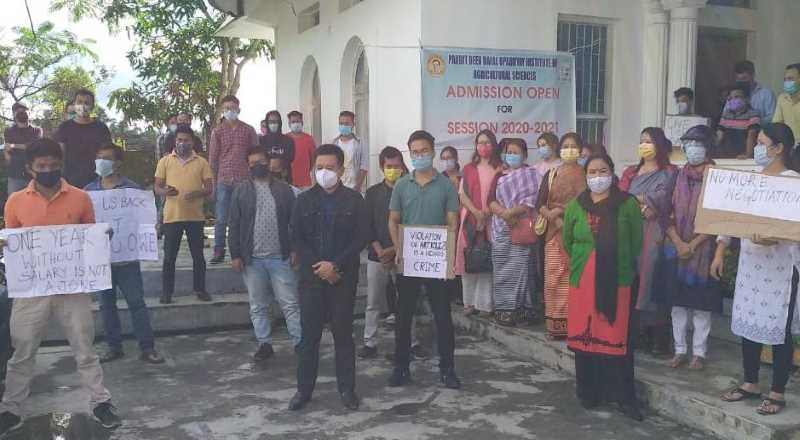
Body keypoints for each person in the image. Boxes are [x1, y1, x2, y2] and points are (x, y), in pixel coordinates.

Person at [0, 138, 121, 434]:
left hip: (72, 289)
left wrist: (101, 238)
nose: (48, 170)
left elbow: (90, 239)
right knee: (22, 351)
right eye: (42, 166)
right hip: (32, 292)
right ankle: (11, 408)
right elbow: (12, 244)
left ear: (61, 165)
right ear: (30, 169)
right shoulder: (15, 201)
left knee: (84, 347)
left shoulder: (80, 198)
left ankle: (100, 401)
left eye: (54, 165)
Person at [715, 122, 800, 416]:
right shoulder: (750, 180)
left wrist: (776, 235)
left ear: (779, 148)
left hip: (782, 268)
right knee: (748, 321)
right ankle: (750, 382)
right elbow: (728, 219)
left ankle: (777, 391)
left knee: (779, 329)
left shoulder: (793, 183)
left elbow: (796, 226)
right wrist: (720, 250)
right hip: (751, 265)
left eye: (762, 143)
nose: (757, 148)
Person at [563, 152, 644, 421]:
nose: (598, 176)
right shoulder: (576, 204)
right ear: (586, 177)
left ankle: (623, 397)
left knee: (617, 339)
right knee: (586, 340)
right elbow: (568, 242)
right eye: (592, 172)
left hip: (617, 281)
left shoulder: (628, 204)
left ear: (612, 172)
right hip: (582, 280)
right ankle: (589, 392)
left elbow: (636, 243)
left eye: (603, 170)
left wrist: (613, 264)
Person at [289, 144, 367, 411]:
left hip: (342, 279)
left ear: (341, 170)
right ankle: (303, 390)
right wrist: (319, 266)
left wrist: (335, 266)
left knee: (343, 336)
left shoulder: (355, 201)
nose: (324, 172)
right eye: (319, 168)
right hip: (311, 278)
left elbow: (361, 238)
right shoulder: (303, 200)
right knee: (308, 337)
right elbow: (297, 237)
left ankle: (347, 390)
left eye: (330, 168)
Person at [387, 130, 461, 389]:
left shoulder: (446, 186)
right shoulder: (401, 185)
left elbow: (453, 221)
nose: (420, 155)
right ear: (410, 153)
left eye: (424, 151)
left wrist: (449, 252)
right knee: (403, 315)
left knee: (442, 315)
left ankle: (448, 369)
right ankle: (401, 367)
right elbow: (393, 220)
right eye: (415, 152)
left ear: (432, 150)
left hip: (436, 261)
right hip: (409, 260)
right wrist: (399, 249)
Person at [84, 144, 165, 365]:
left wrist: (152, 227)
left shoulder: (132, 190)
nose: (101, 162)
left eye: (106, 158)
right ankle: (114, 347)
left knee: (136, 303)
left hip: (127, 260)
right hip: (102, 261)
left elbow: (145, 219)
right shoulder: (88, 192)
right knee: (106, 306)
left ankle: (147, 348)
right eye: (98, 157)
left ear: (118, 163)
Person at [228, 146, 301, 362]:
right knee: (258, 305)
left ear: (268, 162)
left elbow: (294, 222)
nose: (256, 166)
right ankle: (264, 344)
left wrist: (296, 249)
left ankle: (300, 343)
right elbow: (234, 224)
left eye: (260, 162)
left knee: (290, 303)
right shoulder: (241, 191)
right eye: (251, 163)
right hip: (253, 259)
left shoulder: (284, 190)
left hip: (281, 257)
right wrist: (235, 255)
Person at [663, 126, 721, 371]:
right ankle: (679, 351)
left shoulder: (717, 177)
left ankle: (699, 353)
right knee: (678, 305)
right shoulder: (677, 175)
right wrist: (678, 241)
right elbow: (666, 212)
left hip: (704, 250)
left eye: (698, 143)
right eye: (689, 143)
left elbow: (719, 217)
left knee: (700, 306)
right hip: (675, 247)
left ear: (708, 147)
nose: (693, 148)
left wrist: (693, 244)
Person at [359, 147, 423, 359]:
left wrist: (394, 250)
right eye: (389, 167)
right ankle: (370, 343)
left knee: (407, 300)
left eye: (397, 166)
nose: (393, 170)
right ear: (381, 167)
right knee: (373, 302)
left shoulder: (411, 190)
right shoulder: (372, 193)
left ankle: (412, 342)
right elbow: (366, 226)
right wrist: (380, 252)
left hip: (404, 253)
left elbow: (414, 224)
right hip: (377, 257)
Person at [619, 127, 678, 356]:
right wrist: (644, 203)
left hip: (658, 233)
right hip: (632, 230)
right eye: (642, 141)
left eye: (649, 141)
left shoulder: (671, 172)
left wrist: (645, 202)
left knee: (654, 280)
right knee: (633, 280)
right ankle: (638, 333)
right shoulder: (631, 172)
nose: (644, 145)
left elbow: (669, 201)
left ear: (660, 145)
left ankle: (659, 337)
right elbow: (622, 196)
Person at [155, 125, 214, 304]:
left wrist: (198, 193)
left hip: (195, 217)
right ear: (175, 141)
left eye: (186, 140)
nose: (182, 143)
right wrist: (166, 191)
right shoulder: (165, 161)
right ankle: (167, 293)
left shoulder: (202, 162)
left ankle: (200, 289)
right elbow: (156, 187)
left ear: (192, 141)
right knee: (169, 257)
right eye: (179, 140)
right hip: (172, 217)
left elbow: (210, 188)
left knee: (198, 257)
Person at [536, 133, 587, 339]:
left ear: (580, 150)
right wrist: (552, 216)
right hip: (553, 234)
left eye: (573, 146)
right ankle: (555, 326)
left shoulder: (587, 174)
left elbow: (587, 204)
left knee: (574, 279)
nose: (569, 150)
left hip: (578, 233)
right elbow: (539, 203)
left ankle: (575, 325)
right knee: (553, 279)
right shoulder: (551, 174)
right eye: (565, 146)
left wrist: (563, 214)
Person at [487, 138, 540, 326]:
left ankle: (524, 311)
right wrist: (504, 214)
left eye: (516, 152)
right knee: (502, 271)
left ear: (524, 155)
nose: (511, 155)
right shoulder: (499, 175)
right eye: (508, 151)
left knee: (522, 270)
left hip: (522, 227)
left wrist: (512, 213)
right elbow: (490, 200)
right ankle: (505, 311)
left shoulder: (532, 175)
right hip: (501, 229)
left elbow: (532, 200)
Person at [208, 95, 259, 264]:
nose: (230, 111)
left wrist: (255, 180)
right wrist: (213, 184)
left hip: (244, 180)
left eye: (233, 107)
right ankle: (219, 250)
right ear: (223, 110)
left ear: (239, 109)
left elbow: (256, 155)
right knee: (221, 218)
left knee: (245, 217)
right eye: (227, 108)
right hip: (224, 180)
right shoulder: (218, 131)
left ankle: (245, 249)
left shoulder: (249, 130)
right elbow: (213, 159)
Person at [457, 130, 502, 316]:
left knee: (486, 259)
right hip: (470, 218)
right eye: (480, 142)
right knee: (469, 258)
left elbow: (502, 194)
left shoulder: (500, 167)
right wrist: (476, 213)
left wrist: (487, 214)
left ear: (494, 145)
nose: (483, 146)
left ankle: (484, 304)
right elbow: (462, 194)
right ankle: (469, 303)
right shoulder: (468, 168)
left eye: (487, 142)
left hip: (493, 219)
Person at [54, 88, 112, 188]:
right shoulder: (64, 127)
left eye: (87, 103)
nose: (83, 105)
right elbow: (60, 154)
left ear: (93, 106)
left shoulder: (101, 128)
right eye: (79, 102)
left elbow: (108, 154)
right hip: (70, 181)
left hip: (97, 181)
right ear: (75, 104)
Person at [4, 102, 42, 193]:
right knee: (14, 203)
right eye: (18, 111)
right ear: (14, 114)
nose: (21, 113)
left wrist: (14, 145)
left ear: (29, 113)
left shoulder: (37, 130)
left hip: (33, 174)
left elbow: (33, 146)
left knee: (35, 202)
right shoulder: (8, 131)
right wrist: (7, 155)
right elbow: (7, 149)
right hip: (15, 174)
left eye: (23, 111)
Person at [716, 83, 761, 158]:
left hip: (743, 155)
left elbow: (751, 135)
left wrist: (748, 155)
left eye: (737, 97)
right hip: (726, 155)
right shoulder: (726, 114)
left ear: (747, 99)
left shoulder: (753, 114)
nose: (733, 100)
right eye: (730, 98)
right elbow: (719, 135)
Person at [332, 111, 369, 192]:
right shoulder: (334, 143)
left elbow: (364, 166)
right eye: (341, 123)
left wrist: (358, 186)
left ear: (353, 125)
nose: (343, 126)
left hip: (354, 187)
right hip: (337, 187)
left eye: (346, 123)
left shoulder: (360, 143)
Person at [259, 110, 295, 184]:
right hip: (266, 180)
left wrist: (279, 162)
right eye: (270, 122)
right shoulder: (261, 141)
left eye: (275, 121)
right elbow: (259, 158)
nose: (273, 124)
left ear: (280, 123)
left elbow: (290, 158)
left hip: (284, 179)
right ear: (267, 123)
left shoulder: (288, 140)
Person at [286, 111, 316, 189]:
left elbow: (313, 159)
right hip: (288, 181)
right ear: (289, 123)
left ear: (302, 122)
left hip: (305, 182)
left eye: (298, 121)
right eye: (293, 122)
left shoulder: (309, 139)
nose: (296, 123)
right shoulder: (285, 139)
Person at [773, 63, 800, 141]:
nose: (787, 82)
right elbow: (777, 124)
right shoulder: (782, 98)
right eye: (785, 79)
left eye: (790, 79)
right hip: (788, 145)